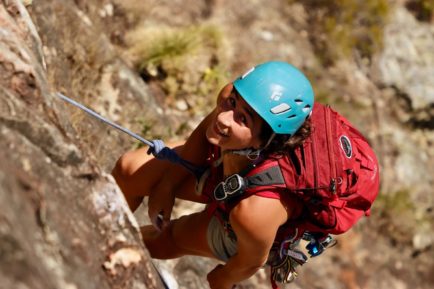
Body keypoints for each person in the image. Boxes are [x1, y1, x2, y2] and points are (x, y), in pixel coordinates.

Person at [112, 61, 379, 289]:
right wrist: (167, 185)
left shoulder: (255, 213)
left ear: (267, 139)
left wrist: (224, 278)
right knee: (130, 170)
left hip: (242, 214)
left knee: (165, 242)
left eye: (243, 119)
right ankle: (110, 229)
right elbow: (212, 123)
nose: (225, 118)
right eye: (231, 102)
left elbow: (250, 260)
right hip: (225, 168)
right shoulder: (241, 104)